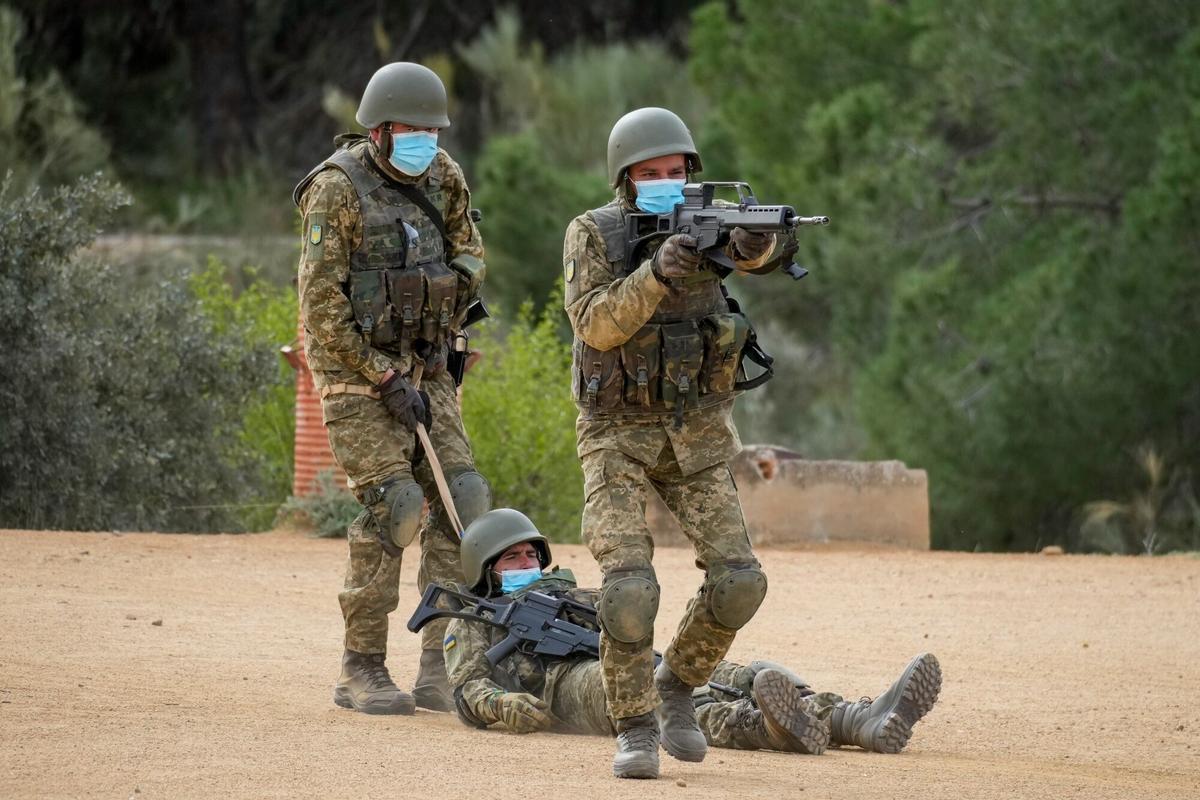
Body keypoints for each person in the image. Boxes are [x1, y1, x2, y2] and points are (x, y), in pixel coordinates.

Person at [561, 106, 791, 776]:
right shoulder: (594, 233)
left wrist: (753, 247)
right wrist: (657, 271)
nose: (667, 181)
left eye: (677, 171)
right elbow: (597, 325)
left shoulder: (709, 222)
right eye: (651, 172)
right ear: (624, 177)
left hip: (696, 433)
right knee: (630, 588)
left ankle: (678, 687)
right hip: (617, 435)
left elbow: (763, 255)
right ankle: (634, 727)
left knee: (740, 582)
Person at [442, 510, 942, 777]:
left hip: (610, 656)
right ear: (485, 570)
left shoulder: (574, 592)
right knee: (650, 695)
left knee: (713, 674)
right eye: (512, 559)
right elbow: (468, 689)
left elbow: (626, 627)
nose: (527, 563)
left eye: (532, 554)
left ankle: (860, 720)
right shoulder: (468, 620)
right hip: (566, 686)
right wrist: (502, 704)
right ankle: (762, 727)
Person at [293, 62, 491, 715]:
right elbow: (321, 307)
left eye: (433, 129)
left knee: (462, 499)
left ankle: (442, 664)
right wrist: (381, 374)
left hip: (427, 365)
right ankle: (362, 668)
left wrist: (446, 320)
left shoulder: (444, 175)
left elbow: (470, 255)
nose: (425, 140)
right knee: (394, 506)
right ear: (378, 131)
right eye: (411, 129)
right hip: (353, 371)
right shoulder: (336, 191)